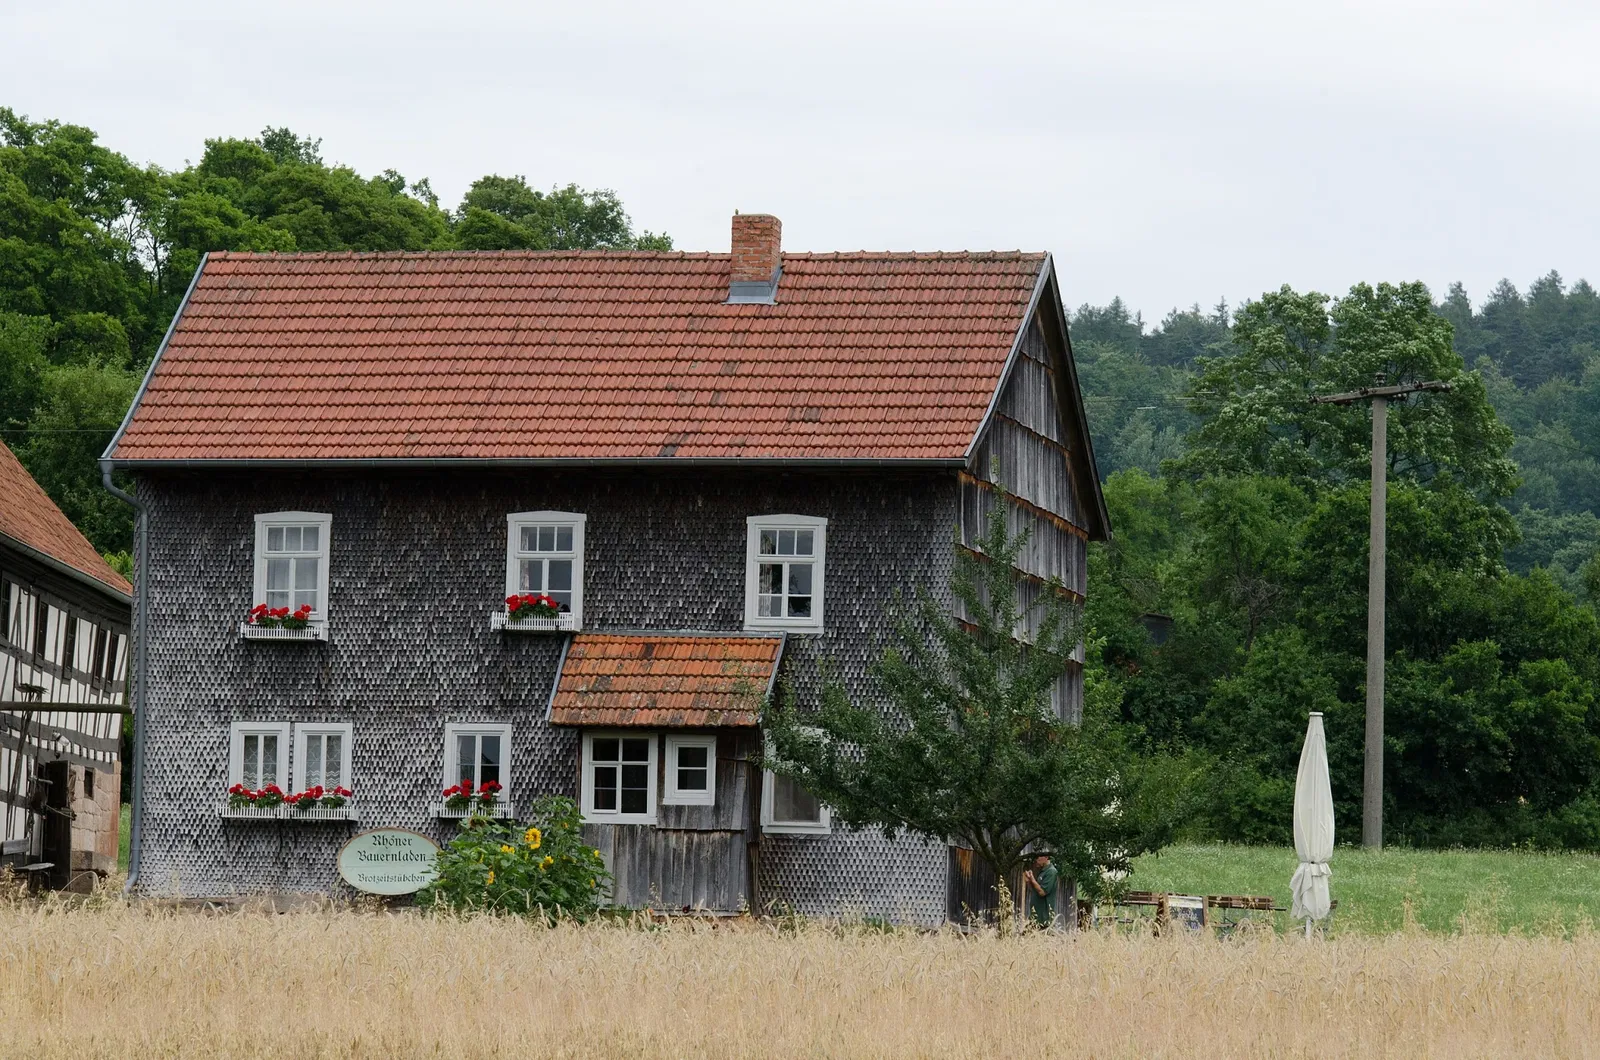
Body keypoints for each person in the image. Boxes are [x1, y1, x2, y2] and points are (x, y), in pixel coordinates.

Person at [1022, 853, 1058, 929]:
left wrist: (1032, 879)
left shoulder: (1051, 872)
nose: (1036, 859)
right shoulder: (1043, 871)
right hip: (1035, 916)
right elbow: (1035, 890)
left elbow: (1042, 892)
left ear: (1046, 857)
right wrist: (1029, 881)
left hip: (1044, 918)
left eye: (1038, 857)